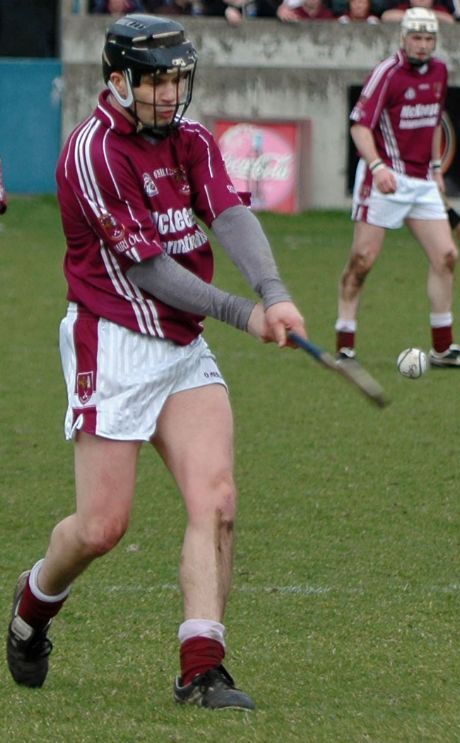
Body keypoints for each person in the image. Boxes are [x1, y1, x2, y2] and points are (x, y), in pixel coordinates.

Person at [6, 13, 306, 710]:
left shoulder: (190, 139)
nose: (169, 94)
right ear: (118, 81)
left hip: (181, 346)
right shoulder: (91, 154)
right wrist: (242, 312)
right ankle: (32, 604)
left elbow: (228, 214)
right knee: (101, 528)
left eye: (177, 80)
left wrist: (275, 292)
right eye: (154, 82)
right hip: (113, 341)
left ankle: (202, 666)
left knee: (217, 499)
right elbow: (146, 268)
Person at [334, 8, 460, 369]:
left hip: (422, 182)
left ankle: (443, 350)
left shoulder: (440, 71)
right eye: (416, 38)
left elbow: (433, 122)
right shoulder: (387, 73)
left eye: (429, 39)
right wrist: (377, 166)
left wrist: (435, 168)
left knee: (446, 256)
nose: (423, 45)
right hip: (384, 179)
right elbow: (359, 126)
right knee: (362, 261)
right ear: (403, 38)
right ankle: (344, 346)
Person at [382, 0, 455, 23]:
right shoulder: (404, 7)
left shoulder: (438, 8)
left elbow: (450, 20)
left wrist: (423, 13)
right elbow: (386, 17)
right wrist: (415, 13)